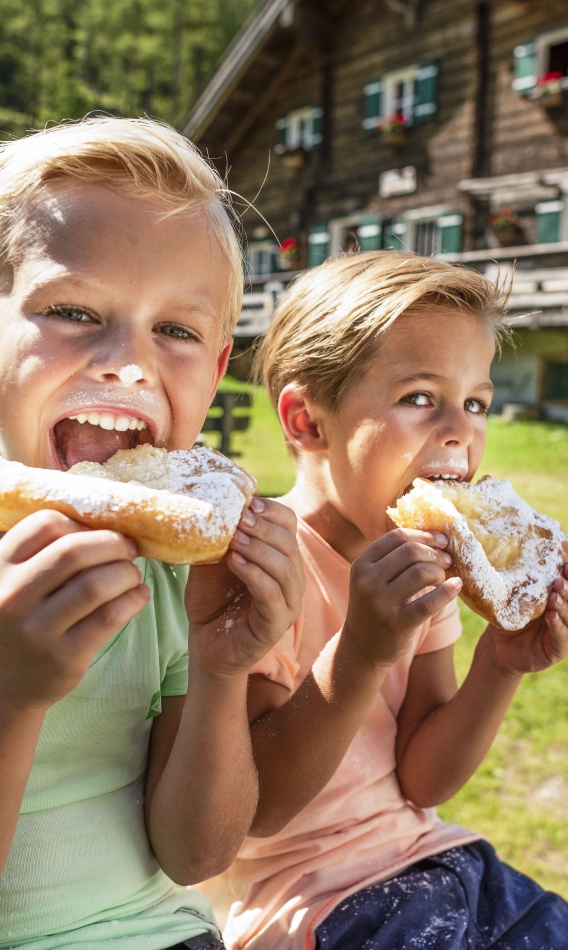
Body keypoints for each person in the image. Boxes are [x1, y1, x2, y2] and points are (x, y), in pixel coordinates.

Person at [203, 252, 568, 950]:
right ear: (307, 421)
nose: (461, 429)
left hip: (441, 863)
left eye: (476, 401)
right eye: (420, 397)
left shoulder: (428, 565)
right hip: (313, 903)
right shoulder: (257, 564)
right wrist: (360, 653)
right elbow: (258, 810)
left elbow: (422, 780)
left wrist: (500, 665)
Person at [0, 117, 304, 950]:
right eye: (72, 309)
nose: (129, 362)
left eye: (175, 330)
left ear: (213, 373)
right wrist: (14, 697)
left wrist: (219, 668)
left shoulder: (179, 577)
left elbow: (194, 854)